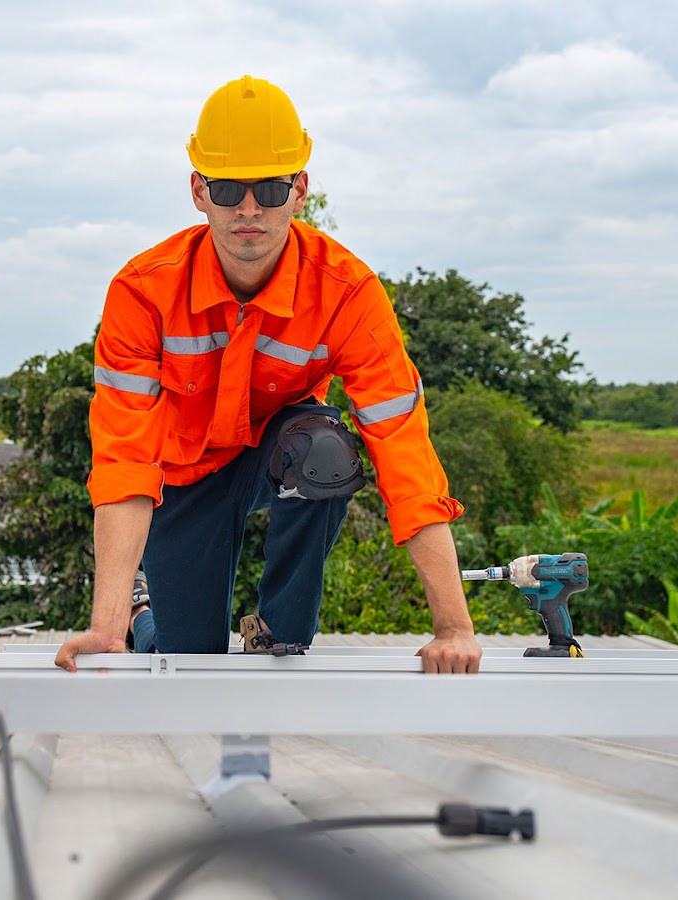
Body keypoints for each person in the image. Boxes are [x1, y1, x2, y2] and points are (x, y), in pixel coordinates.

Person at [54, 75, 482, 675]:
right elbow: (125, 460)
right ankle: (144, 616)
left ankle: (279, 633)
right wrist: (104, 624)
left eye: (270, 188)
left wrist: (454, 628)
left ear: (300, 189)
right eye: (229, 188)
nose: (249, 209)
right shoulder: (143, 292)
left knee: (326, 447)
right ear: (199, 191)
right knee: (188, 664)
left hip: (274, 454)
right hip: (183, 478)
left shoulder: (346, 293)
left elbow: (404, 449)